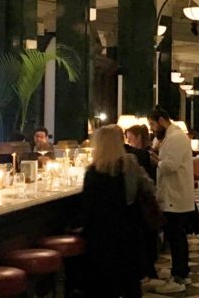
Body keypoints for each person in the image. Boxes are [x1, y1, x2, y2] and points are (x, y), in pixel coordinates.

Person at [81, 125, 157, 298]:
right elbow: (150, 187)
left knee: (104, 284)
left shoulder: (92, 172)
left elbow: (88, 206)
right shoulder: (129, 164)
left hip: (100, 237)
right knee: (131, 283)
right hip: (129, 232)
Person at [148, 108, 194, 294]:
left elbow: (170, 166)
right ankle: (181, 272)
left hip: (175, 196)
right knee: (176, 237)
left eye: (152, 124)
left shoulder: (175, 138)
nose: (152, 129)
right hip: (173, 195)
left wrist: (156, 161)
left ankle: (179, 277)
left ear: (161, 120)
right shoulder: (171, 137)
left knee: (176, 238)